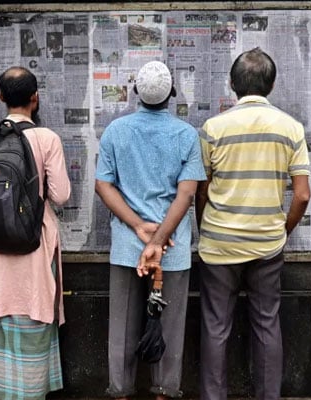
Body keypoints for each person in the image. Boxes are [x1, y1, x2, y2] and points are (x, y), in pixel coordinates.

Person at [195, 48, 311, 400]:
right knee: (266, 323)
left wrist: (207, 226)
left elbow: (201, 189)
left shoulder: (213, 129)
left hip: (219, 245)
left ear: (232, 84)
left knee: (215, 326)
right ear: (272, 84)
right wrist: (282, 230)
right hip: (267, 244)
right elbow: (302, 195)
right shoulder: (291, 128)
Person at [95, 60, 206, 400]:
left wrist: (138, 226)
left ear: (135, 94)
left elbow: (104, 186)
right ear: (172, 93)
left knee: (122, 329)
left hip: (129, 245)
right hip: (171, 249)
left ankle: (121, 391)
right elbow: (187, 194)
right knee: (169, 329)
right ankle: (164, 392)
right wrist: (159, 240)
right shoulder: (186, 135)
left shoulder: (116, 131)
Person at [0, 66, 71, 400]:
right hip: (33, 245)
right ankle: (32, 392)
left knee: (5, 320)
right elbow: (62, 194)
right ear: (35, 98)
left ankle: (4, 392)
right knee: (33, 313)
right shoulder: (46, 139)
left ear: (0, 97)